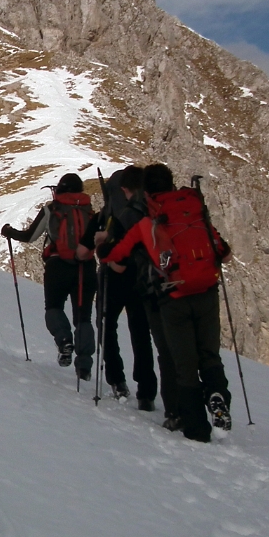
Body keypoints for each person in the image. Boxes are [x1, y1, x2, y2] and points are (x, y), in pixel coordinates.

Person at [101, 163, 233, 442]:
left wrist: (104, 248)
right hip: (206, 291)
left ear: (145, 190)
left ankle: (193, 425)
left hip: (170, 298)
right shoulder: (193, 209)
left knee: (181, 363)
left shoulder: (145, 220)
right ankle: (218, 395)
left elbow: (117, 256)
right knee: (209, 355)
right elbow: (224, 252)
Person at [1, 173, 97, 380]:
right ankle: (85, 367)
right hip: (86, 267)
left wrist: (9, 232)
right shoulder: (90, 211)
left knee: (54, 307)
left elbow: (30, 236)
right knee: (84, 317)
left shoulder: (52, 209)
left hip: (57, 266)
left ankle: (64, 341)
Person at [93, 167, 158, 409]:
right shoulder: (148, 209)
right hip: (142, 276)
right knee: (140, 331)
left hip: (114, 273)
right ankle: (147, 391)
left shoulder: (113, 212)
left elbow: (97, 243)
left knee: (106, 324)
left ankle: (117, 380)